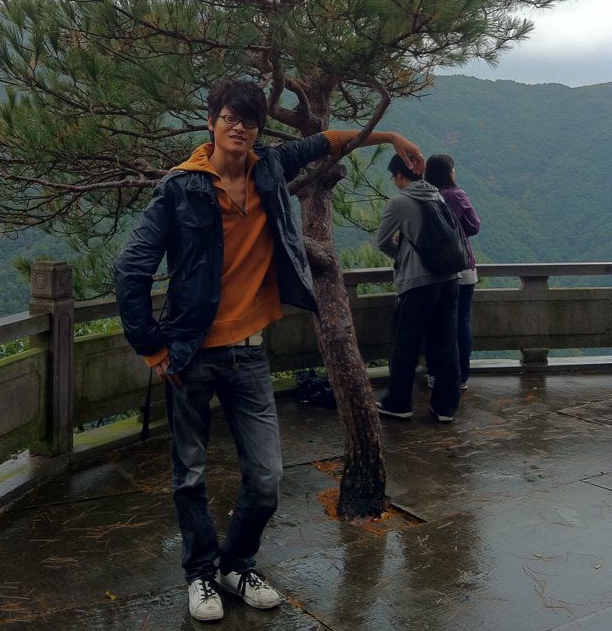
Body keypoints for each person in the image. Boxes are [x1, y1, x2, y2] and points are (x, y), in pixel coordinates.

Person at [114, 79, 424, 622]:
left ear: (258, 129)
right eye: (230, 117)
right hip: (190, 355)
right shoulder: (180, 188)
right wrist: (151, 348)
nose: (239, 127)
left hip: (250, 352)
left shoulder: (269, 169)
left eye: (249, 120)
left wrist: (390, 135)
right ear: (212, 121)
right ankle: (200, 573)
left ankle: (236, 564)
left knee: (266, 476)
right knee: (190, 474)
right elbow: (130, 269)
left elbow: (326, 142)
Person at [376, 154, 461, 423]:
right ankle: (445, 407)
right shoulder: (437, 196)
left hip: (419, 282)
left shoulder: (400, 201)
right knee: (446, 342)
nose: (394, 181)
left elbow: (382, 241)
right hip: (450, 278)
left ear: (400, 175)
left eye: (394, 176)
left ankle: (399, 402)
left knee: (405, 342)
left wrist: (402, 256)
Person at [424, 154, 480, 390]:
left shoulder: (425, 196)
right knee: (461, 322)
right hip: (461, 267)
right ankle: (461, 376)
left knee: (434, 322)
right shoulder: (455, 195)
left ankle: (435, 373)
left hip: (433, 268)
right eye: (453, 168)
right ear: (448, 172)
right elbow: (474, 226)